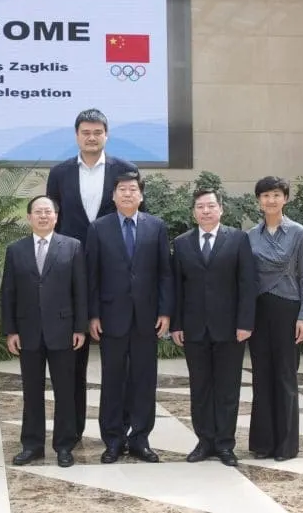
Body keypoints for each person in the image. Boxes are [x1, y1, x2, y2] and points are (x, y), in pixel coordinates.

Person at [45, 108, 138, 444]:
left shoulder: (124, 171)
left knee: (120, 361)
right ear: (76, 136)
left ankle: (122, 430)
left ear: (106, 135)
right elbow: (52, 219)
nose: (91, 137)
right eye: (85, 132)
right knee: (73, 357)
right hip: (70, 274)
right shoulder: (59, 174)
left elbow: (135, 219)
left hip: (115, 278)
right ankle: (71, 431)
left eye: (97, 132)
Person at [85, 172, 172, 464]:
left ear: (141, 195)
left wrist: (164, 311)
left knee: (144, 380)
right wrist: (93, 314)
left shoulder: (156, 226)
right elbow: (92, 276)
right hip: (111, 317)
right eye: (121, 189)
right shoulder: (98, 228)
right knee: (113, 380)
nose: (127, 194)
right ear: (113, 196)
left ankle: (140, 439)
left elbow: (164, 273)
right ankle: (113, 440)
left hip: (147, 317)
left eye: (132, 189)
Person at [170, 189, 256, 467]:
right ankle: (204, 441)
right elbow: (177, 288)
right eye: (200, 207)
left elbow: (247, 283)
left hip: (230, 329)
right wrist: (176, 324)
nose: (205, 211)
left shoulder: (239, 239)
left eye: (210, 206)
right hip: (194, 329)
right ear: (193, 212)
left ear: (221, 209)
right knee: (200, 387)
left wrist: (245, 322)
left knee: (228, 388)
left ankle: (225, 444)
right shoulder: (181, 243)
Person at [2, 196, 87, 468]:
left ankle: (64, 445)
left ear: (56, 216)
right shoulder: (16, 250)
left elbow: (80, 291)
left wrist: (80, 328)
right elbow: (9, 293)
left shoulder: (72, 247)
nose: (42, 216)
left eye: (47, 212)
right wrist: (11, 330)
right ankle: (32, 444)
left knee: (65, 390)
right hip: (28, 332)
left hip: (63, 330)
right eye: (37, 212)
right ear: (29, 217)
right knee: (31, 390)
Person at [247, 176, 303, 462]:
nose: (270, 200)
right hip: (259, 309)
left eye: (276, 195)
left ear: (285, 198)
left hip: (288, 308)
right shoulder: (250, 235)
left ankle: (286, 445)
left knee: (286, 376)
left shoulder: (299, 233)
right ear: (259, 201)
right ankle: (263, 443)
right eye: (265, 195)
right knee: (261, 376)